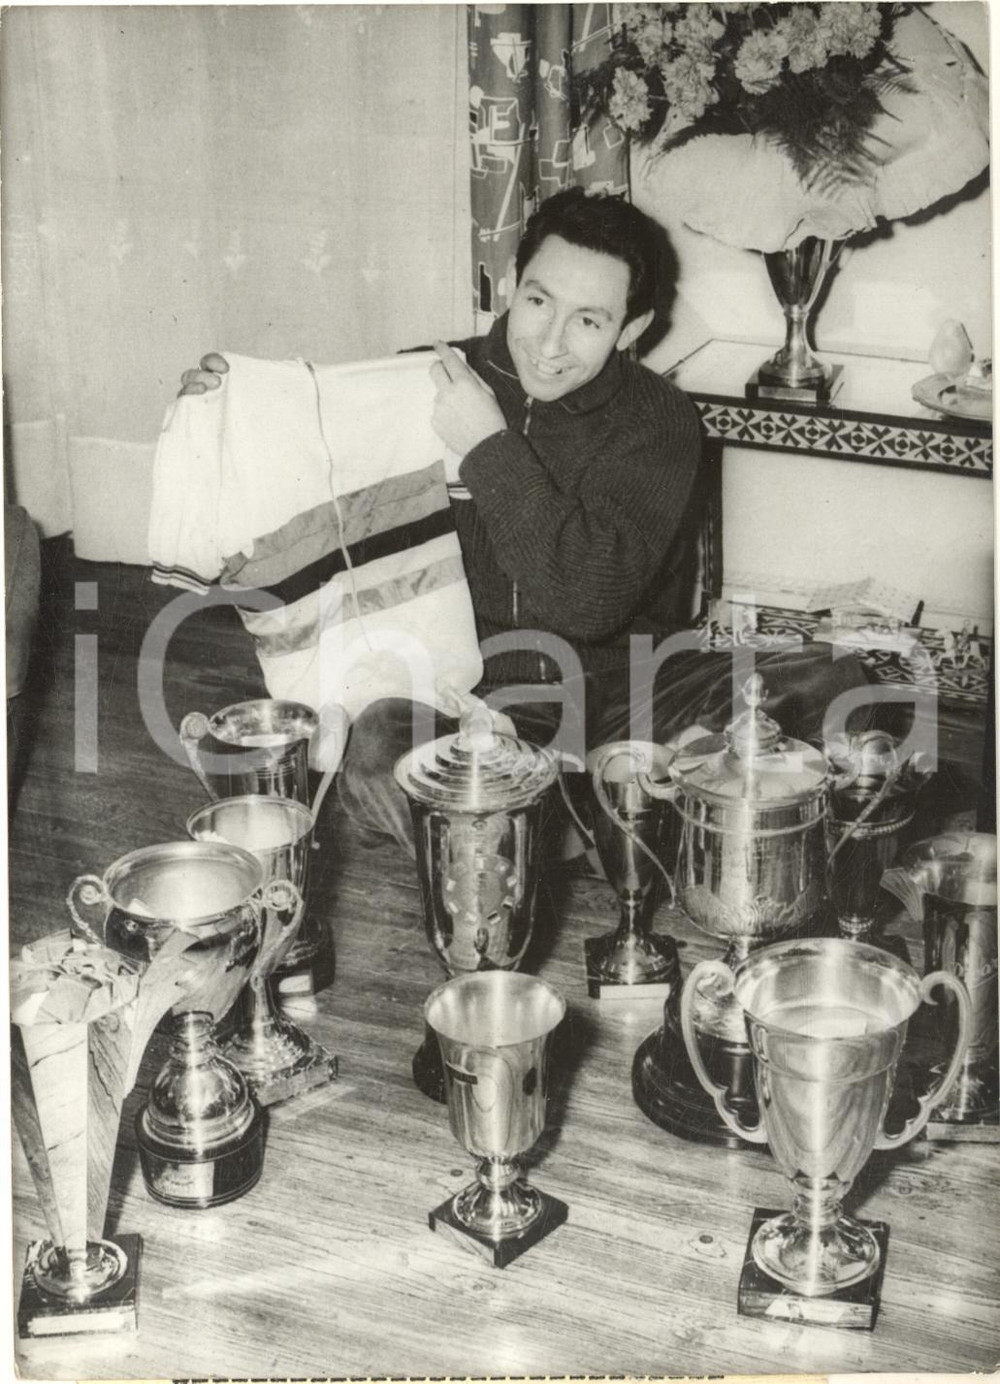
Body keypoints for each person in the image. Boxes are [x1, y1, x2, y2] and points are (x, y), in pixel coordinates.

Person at [181, 188, 869, 853]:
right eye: (539, 301)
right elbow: (305, 462)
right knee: (378, 739)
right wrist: (228, 416)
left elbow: (587, 600)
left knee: (838, 679)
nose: (550, 342)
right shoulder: (425, 381)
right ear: (512, 283)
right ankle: (599, 818)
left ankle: (533, 822)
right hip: (464, 702)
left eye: (589, 320)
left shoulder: (658, 419)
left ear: (632, 329)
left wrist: (487, 448)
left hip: (618, 697)